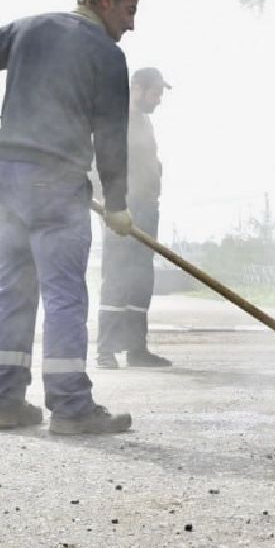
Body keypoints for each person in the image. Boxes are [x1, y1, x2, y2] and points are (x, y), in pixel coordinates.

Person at [0, 0, 139, 436]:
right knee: (64, 293)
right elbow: (110, 134)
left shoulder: (27, 29)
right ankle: (71, 406)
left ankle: (6, 401)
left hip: (10, 178)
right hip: (58, 181)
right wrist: (117, 203)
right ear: (105, 0)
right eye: (129, 11)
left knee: (13, 291)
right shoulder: (107, 54)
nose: (131, 26)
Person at [97, 66, 173, 369]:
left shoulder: (143, 122)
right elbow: (99, 159)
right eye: (155, 93)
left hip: (146, 208)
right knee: (117, 277)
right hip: (122, 208)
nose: (159, 100)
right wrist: (109, 204)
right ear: (138, 89)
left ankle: (135, 349)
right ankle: (105, 350)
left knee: (141, 279)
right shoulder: (117, 116)